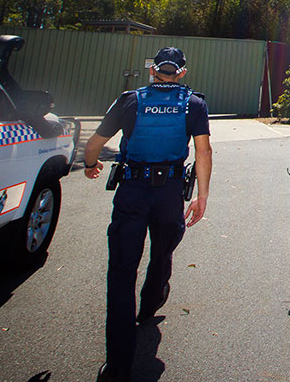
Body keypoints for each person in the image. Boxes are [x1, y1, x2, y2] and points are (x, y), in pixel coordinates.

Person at [84, 47, 212, 382]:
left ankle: (118, 363)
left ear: (153, 71)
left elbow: (94, 145)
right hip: (170, 194)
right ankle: (153, 298)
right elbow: (203, 150)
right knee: (164, 246)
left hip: (132, 192)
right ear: (181, 73)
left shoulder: (129, 100)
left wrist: (89, 164)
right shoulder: (194, 104)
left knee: (122, 270)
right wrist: (202, 195)